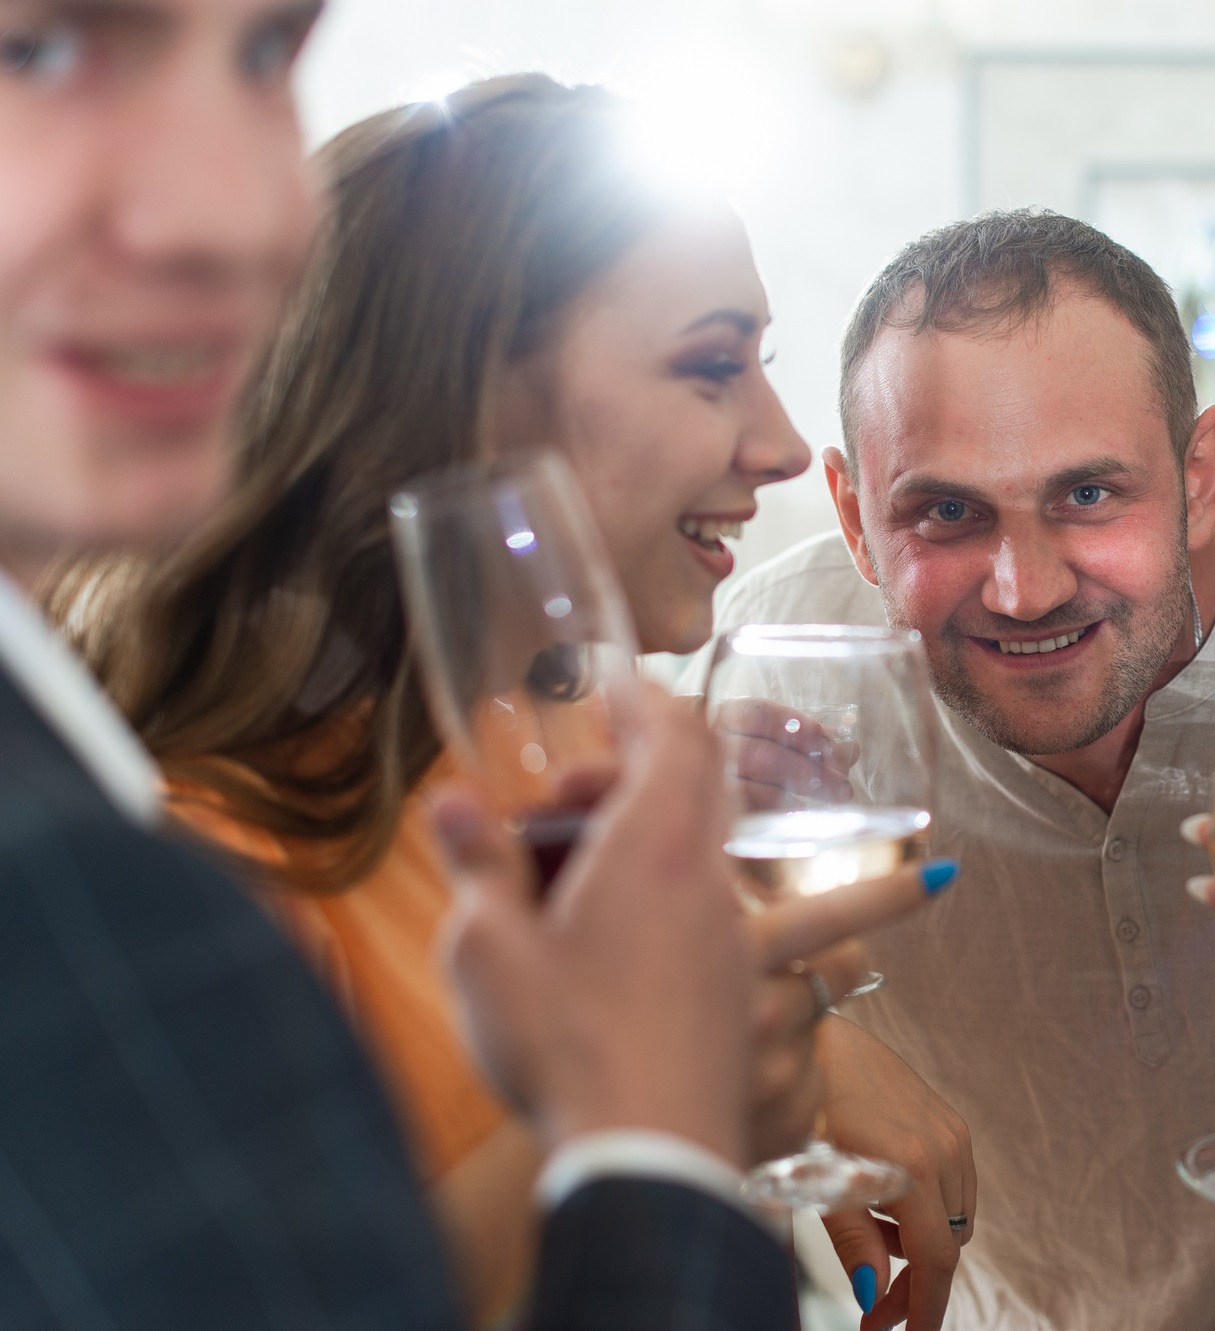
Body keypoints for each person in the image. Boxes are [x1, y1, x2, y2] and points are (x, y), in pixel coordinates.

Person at [0, 3, 938, 1326]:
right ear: (461, 392)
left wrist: (774, 1032)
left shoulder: (567, 761)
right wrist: (675, 1096)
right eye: (711, 364)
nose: (785, 444)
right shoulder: (208, 859)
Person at [699, 208, 1215, 1331]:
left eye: (1087, 495)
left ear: (1200, 473)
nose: (1024, 589)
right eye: (946, 511)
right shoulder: (774, 660)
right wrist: (744, 987)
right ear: (852, 513)